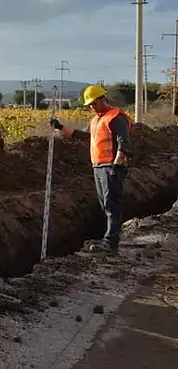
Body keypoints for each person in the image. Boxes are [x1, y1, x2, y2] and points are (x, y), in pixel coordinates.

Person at [49, 84, 132, 253]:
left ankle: (110, 242)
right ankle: (108, 237)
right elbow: (84, 136)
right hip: (99, 166)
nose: (92, 107)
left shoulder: (116, 117)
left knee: (111, 203)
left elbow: (124, 143)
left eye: (94, 103)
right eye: (90, 105)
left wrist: (117, 164)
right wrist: (60, 127)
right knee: (104, 203)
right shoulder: (96, 120)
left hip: (112, 166)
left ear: (103, 99)